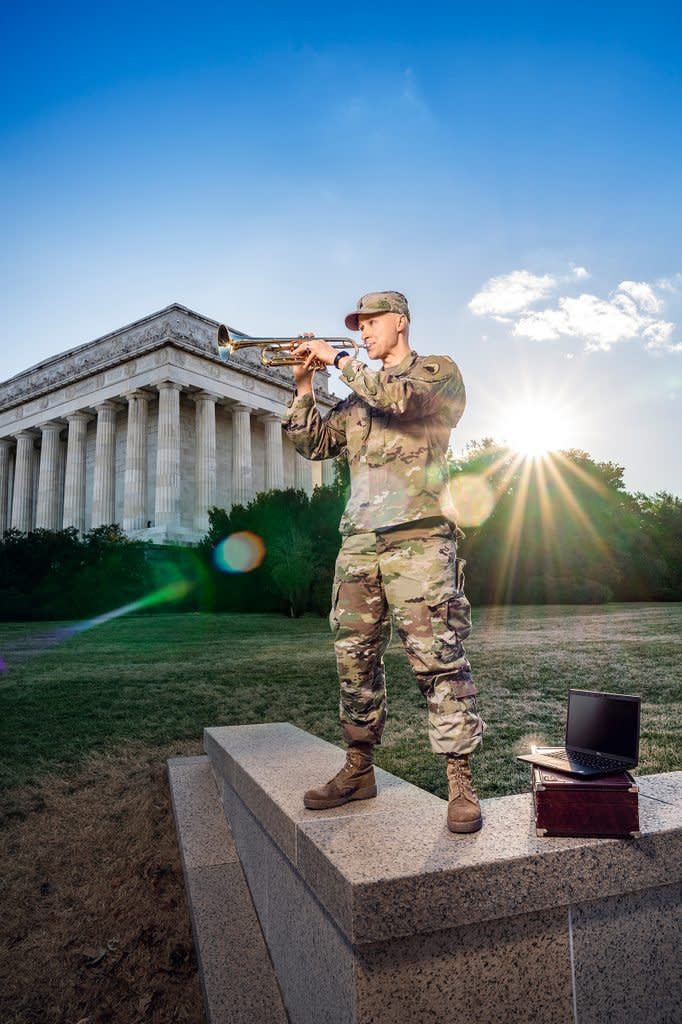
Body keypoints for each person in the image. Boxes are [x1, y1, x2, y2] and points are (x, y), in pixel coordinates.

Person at [282, 291, 485, 833]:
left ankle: (460, 781)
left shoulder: (436, 373)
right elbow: (312, 443)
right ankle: (358, 769)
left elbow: (402, 401)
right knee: (355, 661)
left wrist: (340, 361)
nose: (364, 331)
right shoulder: (354, 402)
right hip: (360, 544)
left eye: (371, 322)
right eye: (358, 325)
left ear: (399, 321)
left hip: (420, 538)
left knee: (437, 659)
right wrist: (305, 385)